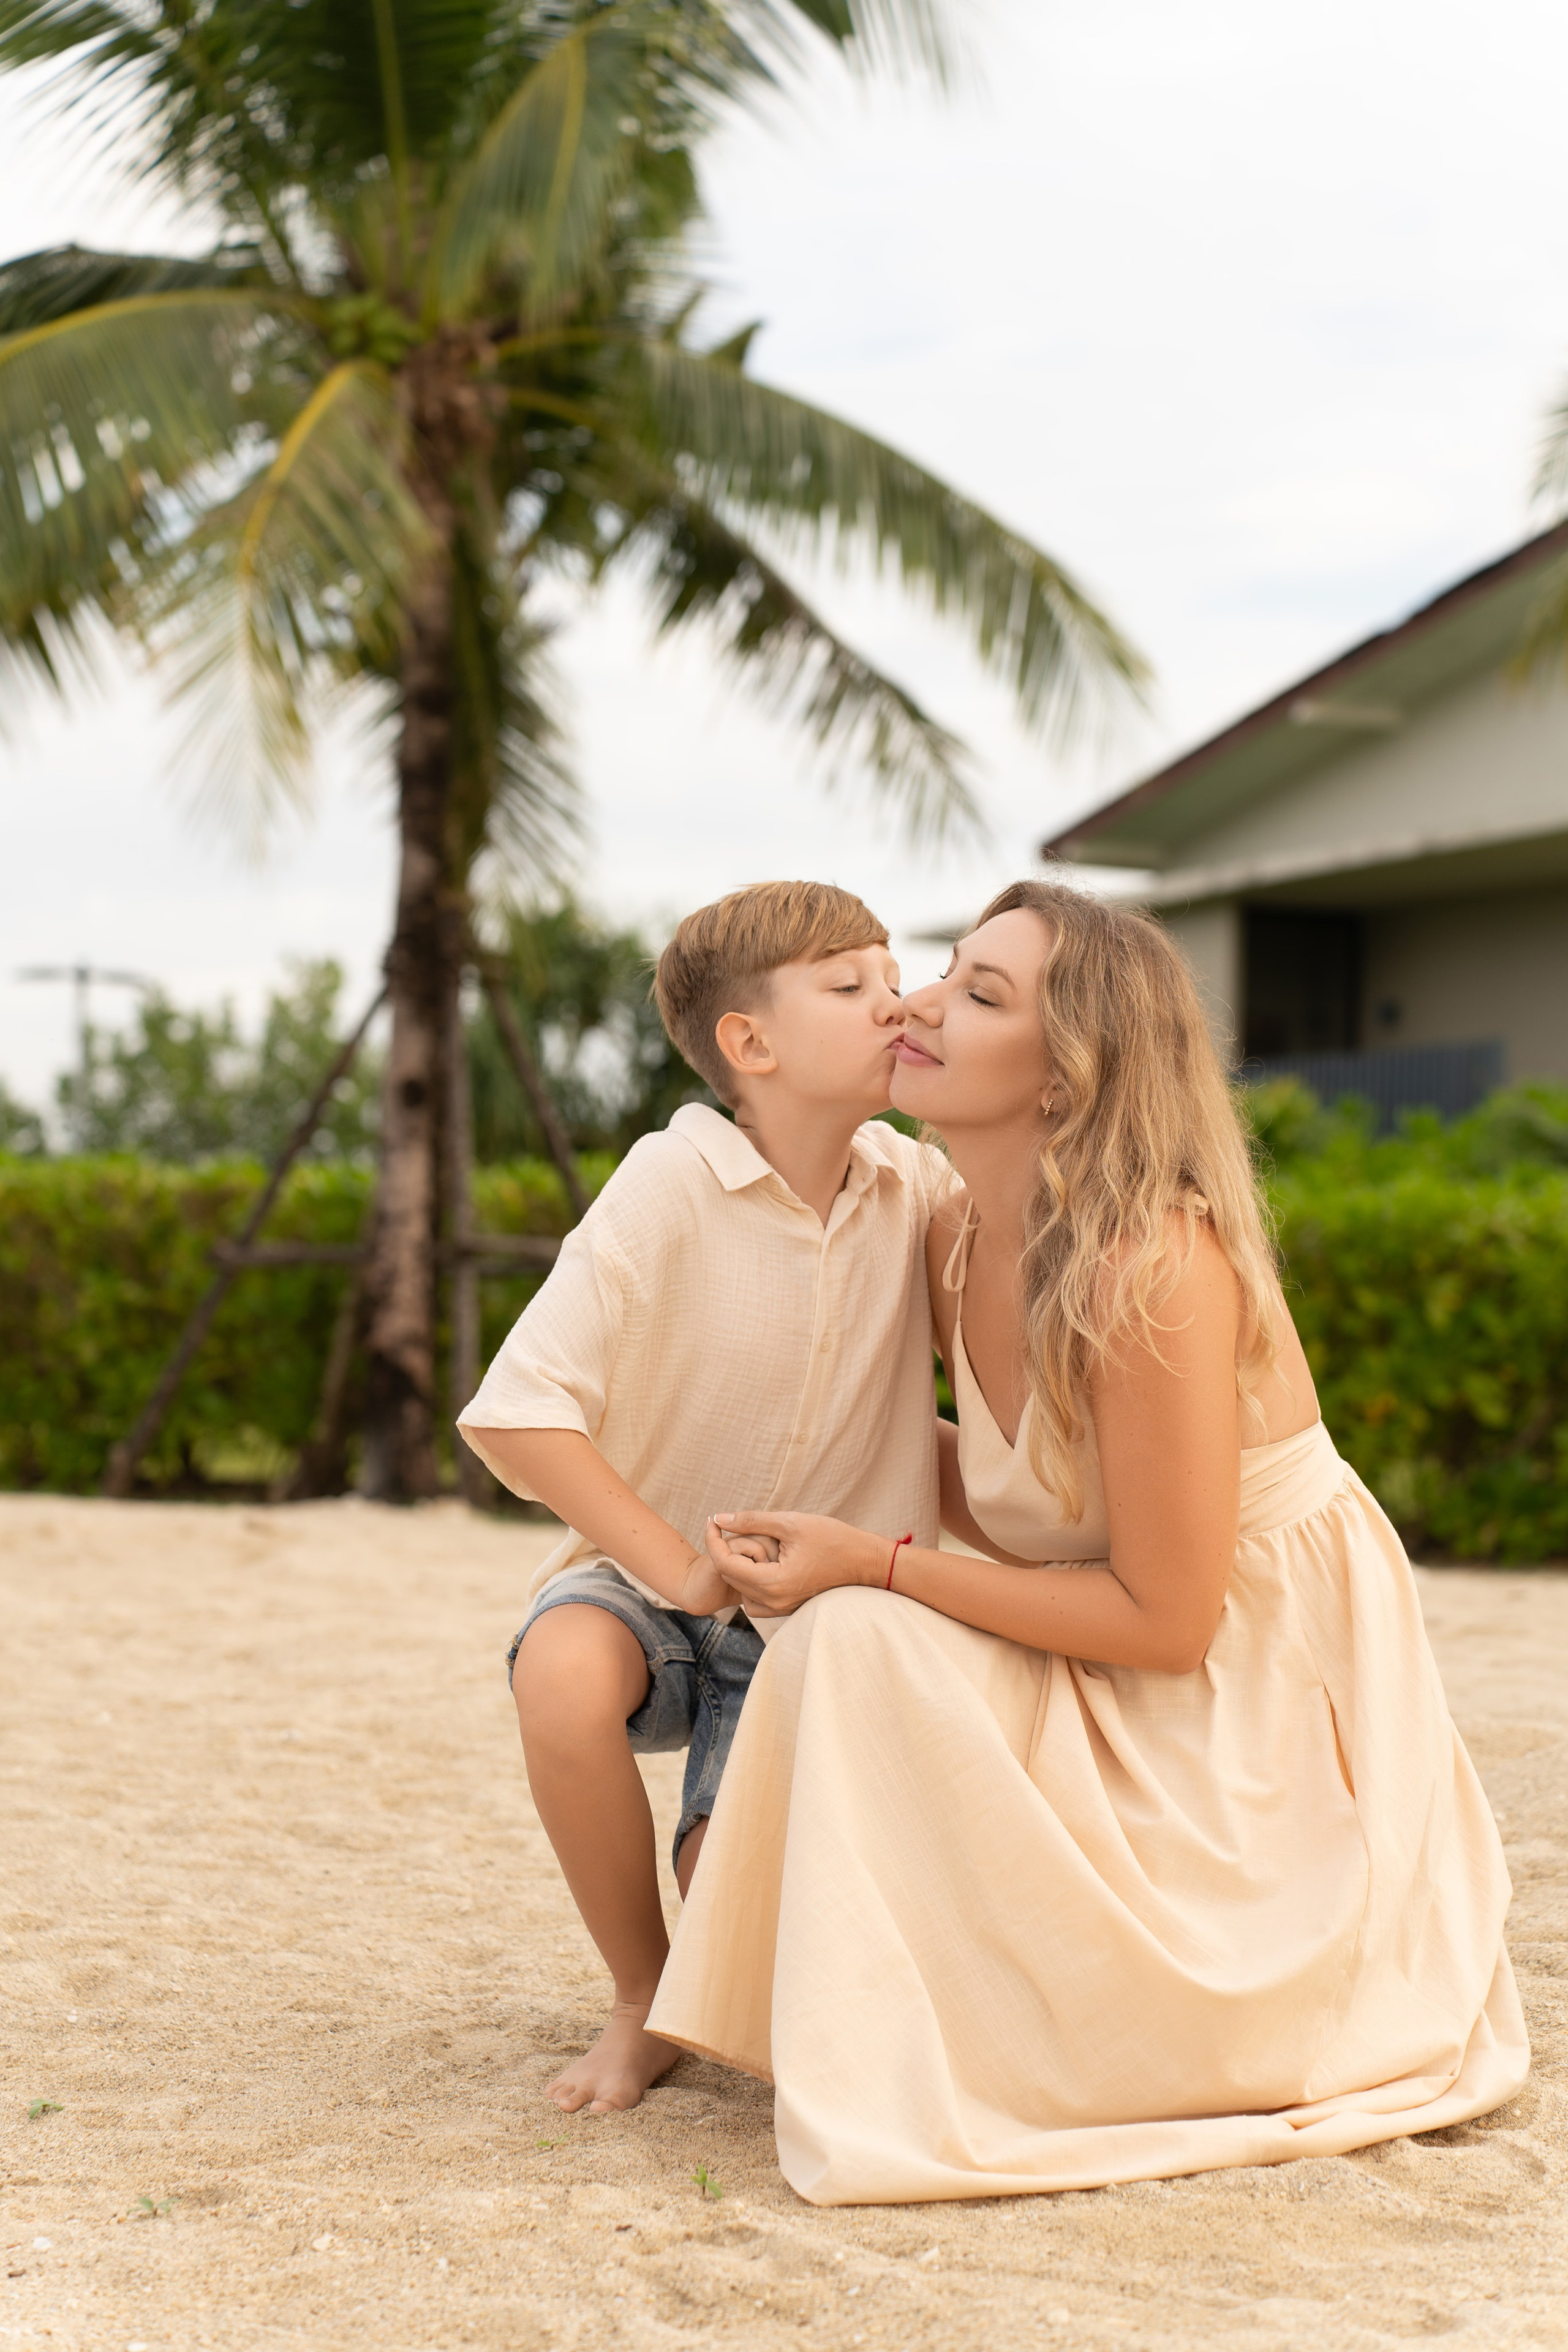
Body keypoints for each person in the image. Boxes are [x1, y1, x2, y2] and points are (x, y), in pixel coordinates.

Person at [647, 880, 1529, 2204]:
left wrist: (873, 1561)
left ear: (1066, 1078)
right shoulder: (953, 1231)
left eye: (982, 996)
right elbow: (1005, 1476)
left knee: (857, 1628)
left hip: (1253, 1694)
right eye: (951, 972)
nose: (923, 1002)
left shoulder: (1152, 1261)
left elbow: (1170, 1622)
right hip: (1118, 1639)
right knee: (849, 1641)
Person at [458, 880, 954, 2117]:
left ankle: (705, 1960)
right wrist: (676, 1569)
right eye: (850, 986)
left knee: (734, 1902)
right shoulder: (665, 1183)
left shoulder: (918, 1191)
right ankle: (638, 1989)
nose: (891, 1002)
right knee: (560, 1670)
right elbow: (518, 1412)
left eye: (894, 976)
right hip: (652, 1585)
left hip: (814, 1625)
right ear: (750, 1044)